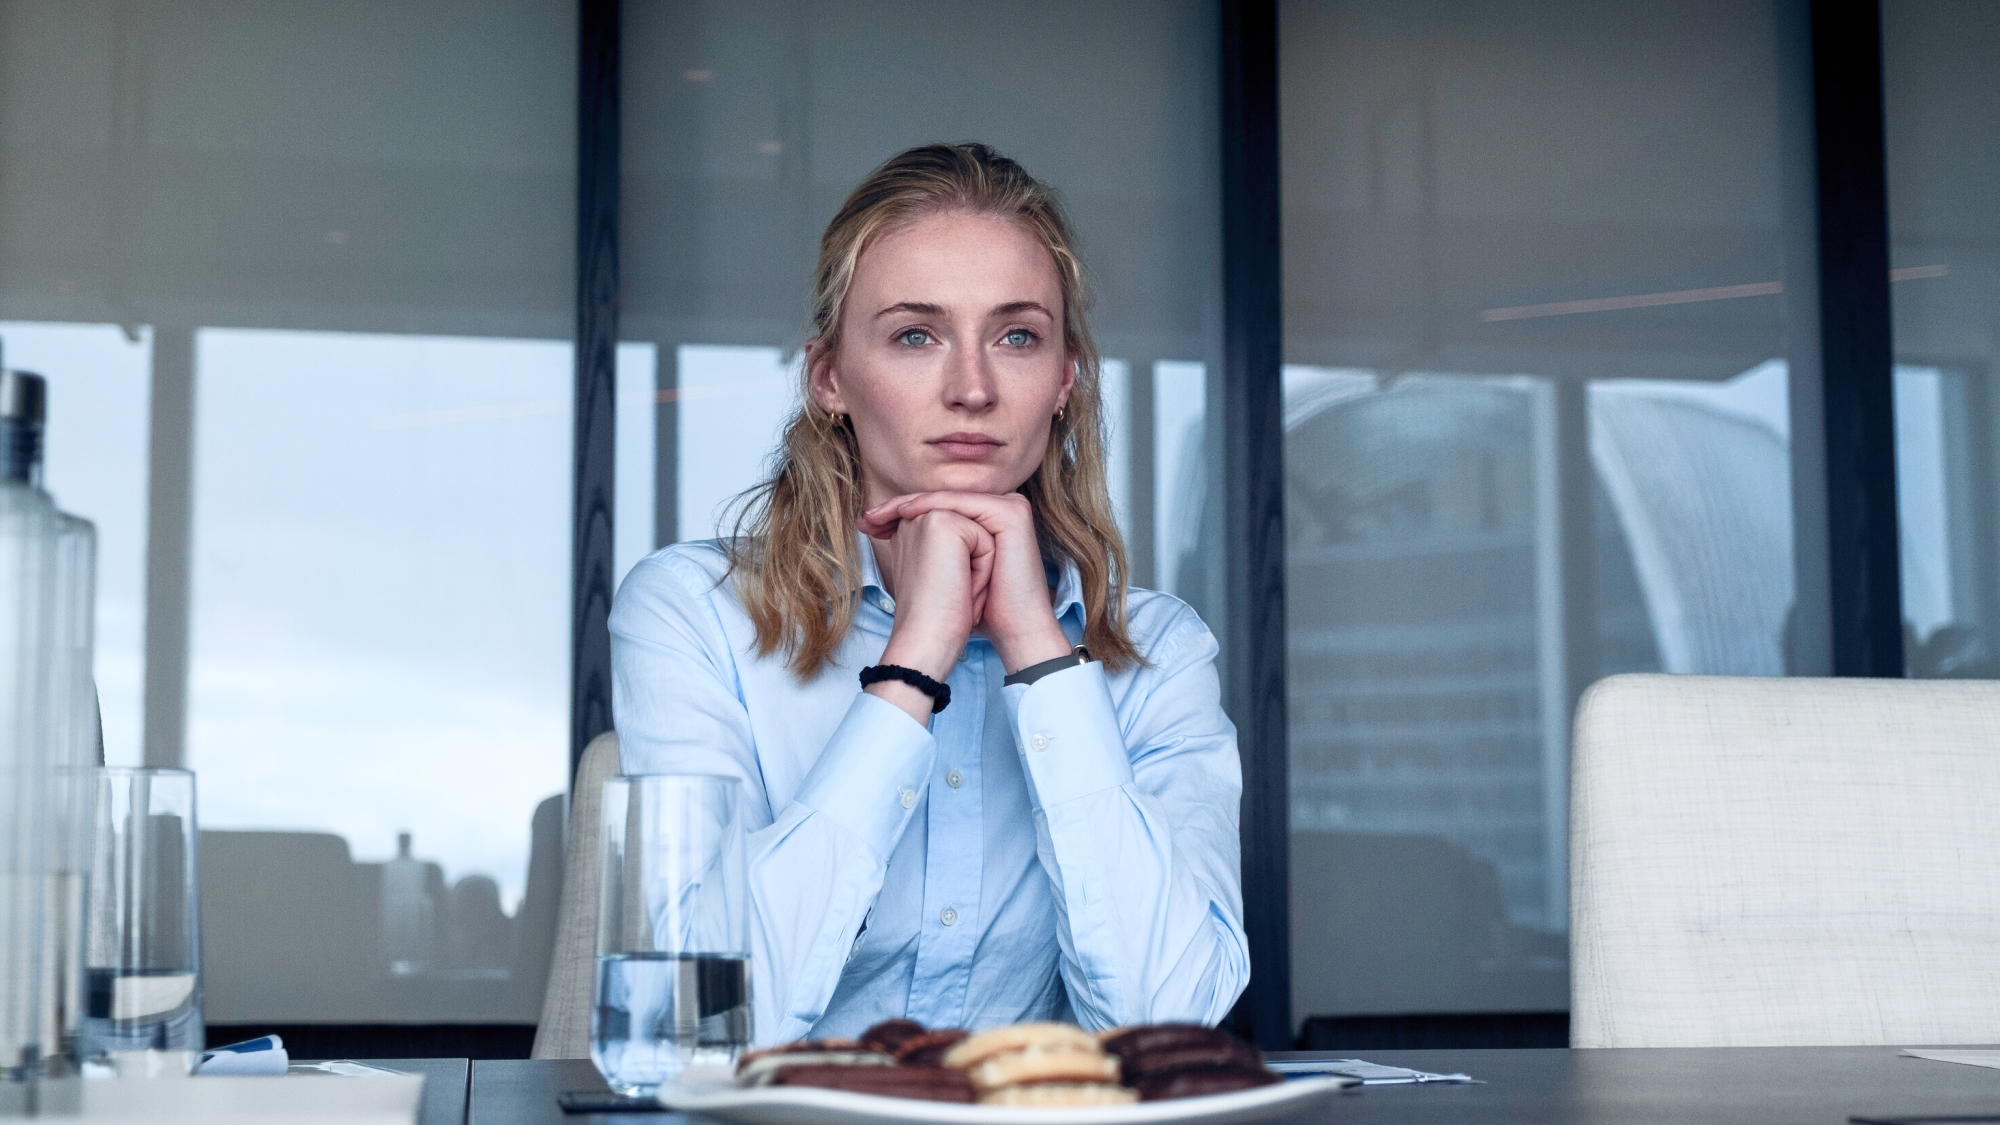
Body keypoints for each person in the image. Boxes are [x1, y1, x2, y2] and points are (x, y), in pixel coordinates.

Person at [610, 142, 1247, 1044]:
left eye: (1017, 335)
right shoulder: (693, 612)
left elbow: (1167, 1022)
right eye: (916, 334)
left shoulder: (1160, 650)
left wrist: (1036, 646)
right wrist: (914, 662)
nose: (973, 388)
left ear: (1065, 380)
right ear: (829, 376)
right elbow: (695, 1021)